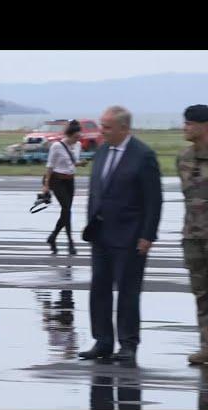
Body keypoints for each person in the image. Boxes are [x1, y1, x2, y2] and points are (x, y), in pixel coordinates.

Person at [78, 106, 162, 364]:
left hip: (130, 236)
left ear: (124, 128)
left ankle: (128, 344)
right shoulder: (102, 151)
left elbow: (154, 200)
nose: (101, 131)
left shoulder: (143, 155)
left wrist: (147, 235)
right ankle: (103, 340)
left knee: (127, 292)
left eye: (107, 127)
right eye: (102, 125)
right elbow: (96, 191)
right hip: (101, 234)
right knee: (99, 289)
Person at [178, 104, 208, 364]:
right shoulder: (184, 158)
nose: (185, 127)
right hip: (193, 237)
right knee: (201, 294)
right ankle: (206, 346)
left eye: (190, 123)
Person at [42, 119, 88, 255]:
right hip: (57, 180)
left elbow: (72, 162)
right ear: (69, 135)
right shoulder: (56, 146)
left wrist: (80, 164)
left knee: (66, 211)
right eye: (75, 137)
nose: (77, 139)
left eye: (79, 137)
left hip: (70, 180)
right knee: (67, 209)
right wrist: (45, 186)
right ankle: (70, 243)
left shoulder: (78, 145)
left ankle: (53, 237)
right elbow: (50, 167)